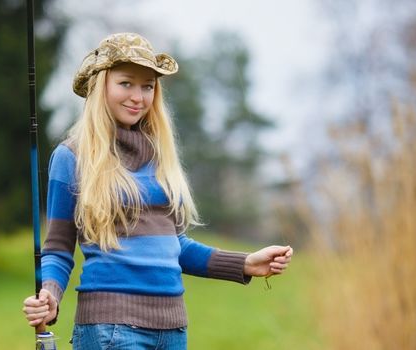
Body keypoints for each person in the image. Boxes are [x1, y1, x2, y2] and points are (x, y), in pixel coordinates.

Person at [22, 32, 293, 350]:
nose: (138, 96)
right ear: (101, 86)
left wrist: (245, 262)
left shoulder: (161, 157)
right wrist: (50, 294)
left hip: (173, 330)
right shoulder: (72, 157)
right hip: (112, 329)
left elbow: (175, 246)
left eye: (147, 86)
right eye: (126, 83)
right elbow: (58, 248)